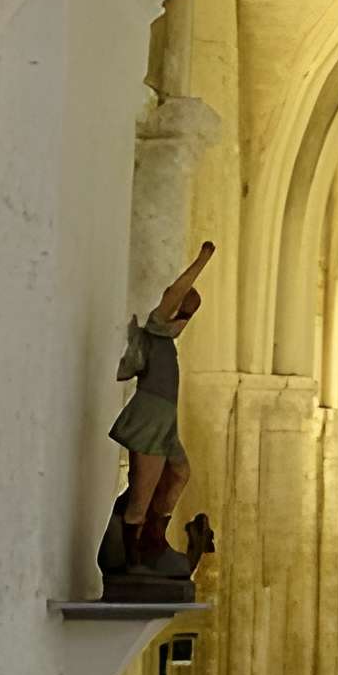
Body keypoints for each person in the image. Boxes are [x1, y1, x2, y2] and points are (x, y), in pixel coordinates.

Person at [112, 240, 212, 563]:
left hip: (165, 421)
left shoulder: (168, 340)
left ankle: (155, 533)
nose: (184, 318)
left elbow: (180, 316)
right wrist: (202, 261)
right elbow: (175, 292)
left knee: (180, 472)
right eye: (182, 311)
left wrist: (187, 313)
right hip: (150, 418)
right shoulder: (156, 324)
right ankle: (131, 559)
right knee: (143, 490)